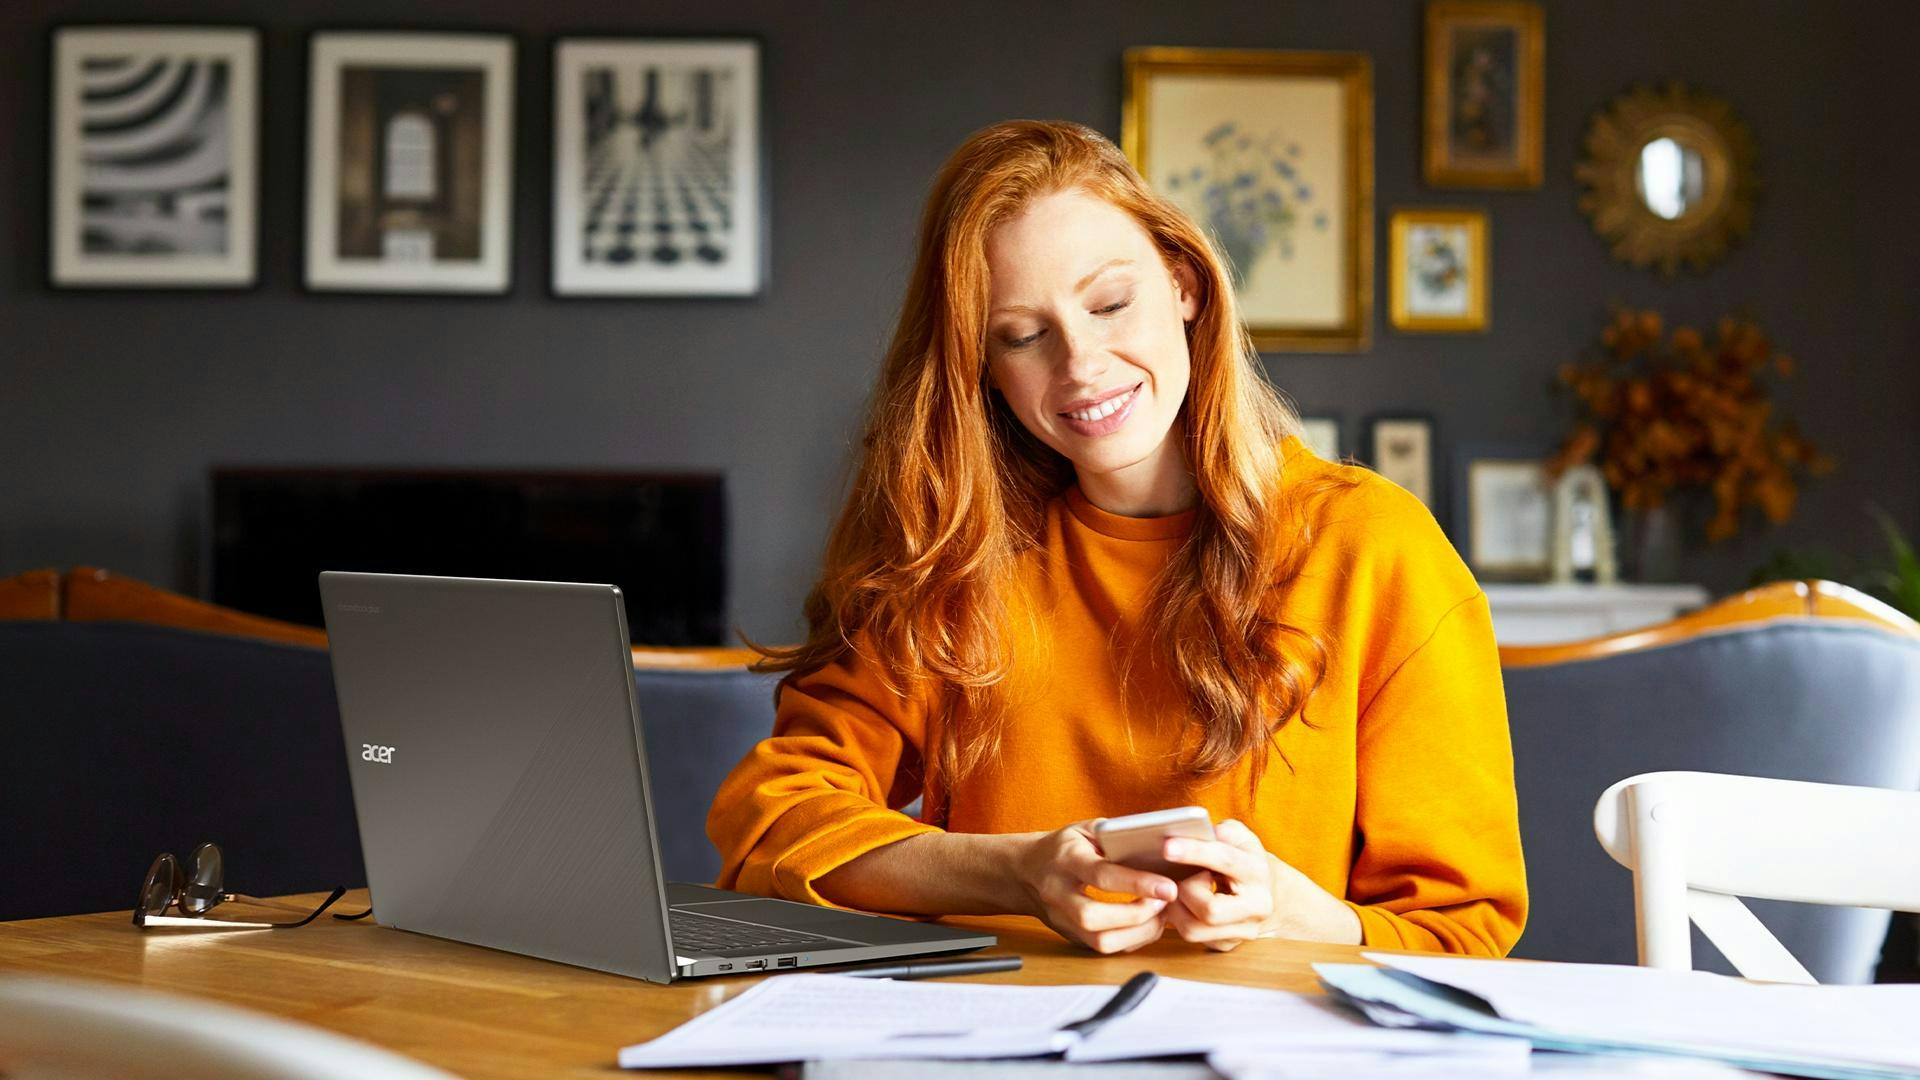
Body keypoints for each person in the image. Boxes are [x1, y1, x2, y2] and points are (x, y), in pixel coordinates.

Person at [708, 120, 1526, 957]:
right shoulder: (961, 556)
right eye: (1022, 336)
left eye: (1109, 304)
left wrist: (1284, 909)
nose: (1082, 364)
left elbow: (1462, 930)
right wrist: (1020, 872)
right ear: (981, 367)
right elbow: (775, 821)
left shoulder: (1371, 547)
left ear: (1185, 285)